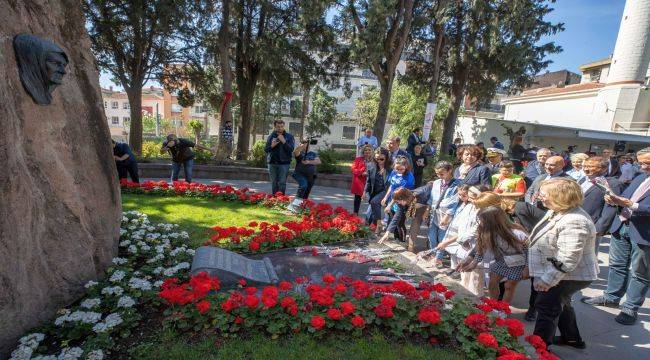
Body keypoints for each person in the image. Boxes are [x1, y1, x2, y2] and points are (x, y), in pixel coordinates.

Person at [581, 148, 650, 325]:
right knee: (617, 265)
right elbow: (625, 197)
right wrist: (613, 199)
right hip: (622, 226)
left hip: (644, 233)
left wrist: (631, 205)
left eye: (646, 163)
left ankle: (630, 308)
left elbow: (636, 204)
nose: (642, 166)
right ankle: (611, 297)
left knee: (640, 272)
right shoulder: (641, 176)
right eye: (641, 162)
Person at [527, 178, 597, 350]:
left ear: (560, 196)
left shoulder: (574, 220)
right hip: (561, 272)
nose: (539, 197)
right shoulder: (559, 210)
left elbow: (568, 258)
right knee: (562, 302)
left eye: (544, 194)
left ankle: (539, 349)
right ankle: (572, 339)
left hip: (567, 275)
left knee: (546, 306)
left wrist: (547, 280)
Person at [459, 206, 528, 303]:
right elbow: (482, 247)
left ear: (492, 221)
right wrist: (474, 263)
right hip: (504, 260)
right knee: (492, 281)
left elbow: (529, 251)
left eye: (483, 221)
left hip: (519, 262)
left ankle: (503, 310)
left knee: (509, 286)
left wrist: (527, 268)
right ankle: (493, 304)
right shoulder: (489, 232)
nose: (481, 223)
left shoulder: (517, 233)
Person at [412, 161, 460, 264]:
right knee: (431, 236)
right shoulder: (437, 182)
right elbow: (432, 199)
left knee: (442, 237)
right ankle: (433, 253)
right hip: (434, 213)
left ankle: (438, 258)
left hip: (446, 214)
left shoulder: (456, 184)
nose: (439, 176)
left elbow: (455, 202)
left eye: (442, 173)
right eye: (437, 173)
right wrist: (426, 211)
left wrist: (447, 216)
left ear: (450, 171)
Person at [578, 156, 621, 253]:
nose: (586, 169)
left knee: (588, 256)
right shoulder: (582, 180)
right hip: (575, 221)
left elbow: (611, 207)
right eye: (584, 166)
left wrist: (600, 228)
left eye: (590, 166)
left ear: (603, 168)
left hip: (592, 225)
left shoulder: (610, 183)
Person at [287, 138, 321, 212]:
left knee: (306, 193)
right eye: (305, 144)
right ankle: (294, 207)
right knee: (303, 186)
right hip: (299, 174)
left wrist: (308, 162)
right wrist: (302, 145)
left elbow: (318, 161)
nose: (307, 145)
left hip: (311, 176)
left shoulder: (313, 153)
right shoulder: (300, 153)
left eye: (308, 144)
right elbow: (296, 151)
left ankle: (301, 208)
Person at [264, 120, 295, 195]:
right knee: (274, 182)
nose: (280, 128)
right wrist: (272, 146)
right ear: (275, 127)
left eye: (281, 126)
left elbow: (291, 149)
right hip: (272, 163)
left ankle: (281, 199)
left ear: (284, 126)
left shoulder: (289, 137)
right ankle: (274, 199)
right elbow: (266, 149)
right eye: (278, 127)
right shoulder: (271, 136)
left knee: (282, 182)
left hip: (284, 163)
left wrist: (284, 141)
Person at [365, 148, 392, 232]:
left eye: (381, 159)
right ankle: (374, 226)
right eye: (377, 158)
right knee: (368, 217)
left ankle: (379, 224)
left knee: (374, 202)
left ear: (386, 158)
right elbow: (368, 181)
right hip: (374, 191)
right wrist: (364, 192)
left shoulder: (390, 168)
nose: (379, 161)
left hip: (386, 190)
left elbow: (392, 183)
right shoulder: (371, 166)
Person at [351, 145, 374, 215]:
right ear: (363, 152)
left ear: (372, 151)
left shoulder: (374, 160)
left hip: (371, 182)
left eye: (369, 150)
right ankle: (355, 213)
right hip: (360, 181)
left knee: (372, 199)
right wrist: (361, 173)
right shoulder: (358, 159)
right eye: (365, 150)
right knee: (357, 198)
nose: (367, 151)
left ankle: (370, 215)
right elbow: (353, 169)